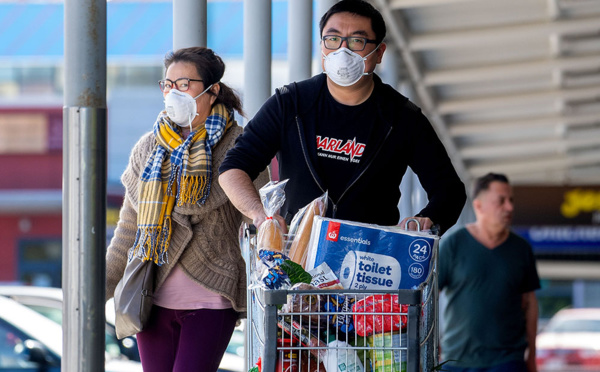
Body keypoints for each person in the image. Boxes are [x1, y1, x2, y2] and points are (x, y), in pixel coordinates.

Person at [218, 0, 466, 235]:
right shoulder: (290, 103)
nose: (343, 50)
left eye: (357, 41)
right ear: (322, 46)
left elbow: (450, 191)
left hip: (370, 262)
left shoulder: (402, 117)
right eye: (333, 39)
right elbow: (233, 168)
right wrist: (261, 216)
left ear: (379, 53)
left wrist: (426, 221)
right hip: (297, 256)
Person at [105, 47, 267, 372]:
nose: (172, 92)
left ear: (212, 90)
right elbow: (129, 229)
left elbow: (262, 217)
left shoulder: (241, 146)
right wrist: (100, 287)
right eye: (167, 85)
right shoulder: (148, 148)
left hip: (213, 296)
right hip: (151, 298)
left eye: (184, 84)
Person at [438, 173, 540, 372]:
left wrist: (533, 356)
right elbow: (429, 298)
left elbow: (530, 304)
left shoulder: (521, 249)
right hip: (456, 362)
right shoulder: (453, 244)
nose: (509, 207)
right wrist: (431, 348)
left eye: (511, 200)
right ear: (478, 206)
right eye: (501, 201)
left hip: (508, 360)